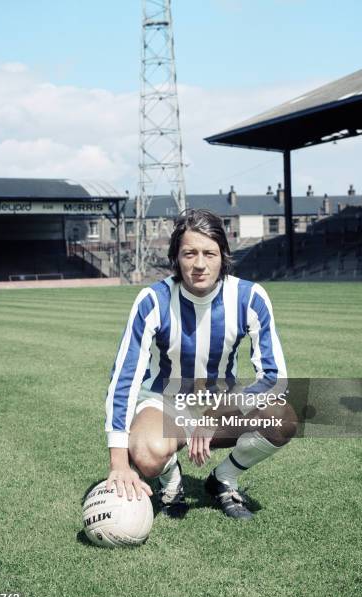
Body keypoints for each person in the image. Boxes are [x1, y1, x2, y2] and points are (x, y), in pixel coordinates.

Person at [105, 209, 297, 520]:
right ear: (175, 257)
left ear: (223, 255)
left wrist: (212, 416)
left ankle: (224, 479)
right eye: (189, 253)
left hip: (221, 403)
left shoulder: (250, 297)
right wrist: (118, 464)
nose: (199, 264)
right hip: (164, 403)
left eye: (209, 253)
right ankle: (172, 482)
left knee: (282, 418)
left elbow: (275, 379)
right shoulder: (152, 300)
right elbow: (124, 378)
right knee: (145, 451)